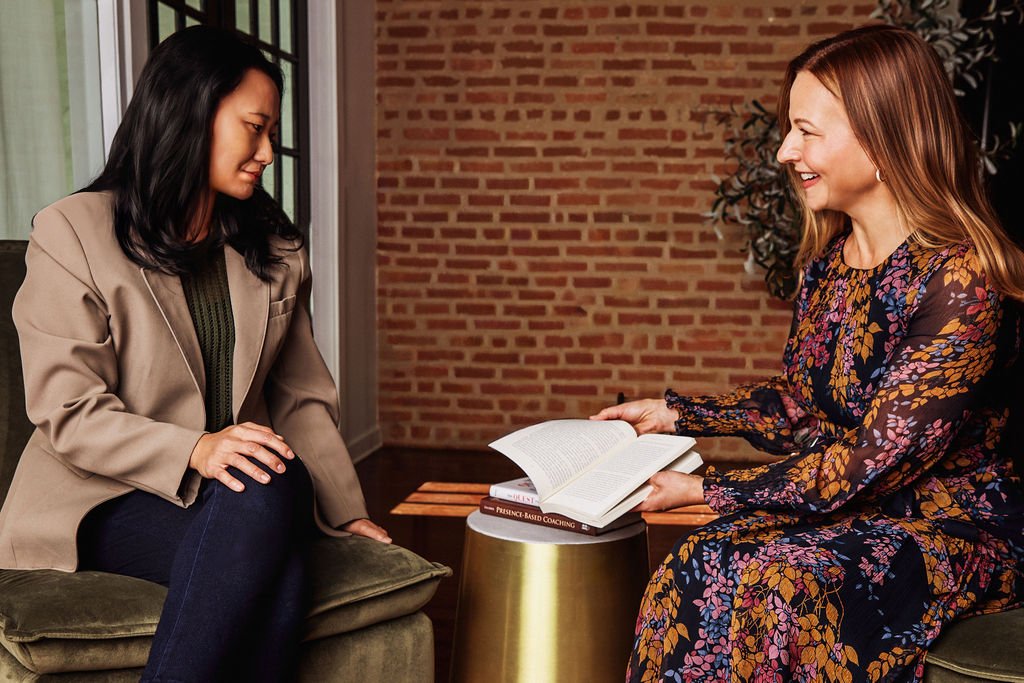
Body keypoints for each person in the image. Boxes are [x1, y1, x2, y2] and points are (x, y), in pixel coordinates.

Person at [592, 24, 1024, 682]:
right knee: (696, 562)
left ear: (886, 135)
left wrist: (707, 490)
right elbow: (798, 406)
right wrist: (675, 413)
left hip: (958, 526)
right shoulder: (829, 263)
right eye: (789, 129)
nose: (786, 151)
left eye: (807, 130)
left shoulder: (962, 278)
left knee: (781, 581)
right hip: (852, 505)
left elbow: (875, 461)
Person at [0, 26, 390, 682]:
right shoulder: (73, 233)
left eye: (271, 132)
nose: (268, 151)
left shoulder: (276, 252)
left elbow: (300, 397)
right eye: (254, 127)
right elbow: (69, 411)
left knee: (272, 485)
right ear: (191, 113)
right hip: (101, 494)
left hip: (232, 493)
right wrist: (196, 449)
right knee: (278, 550)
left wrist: (347, 512)